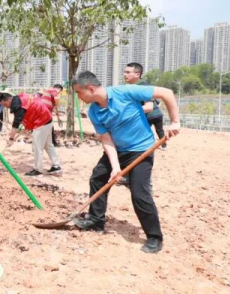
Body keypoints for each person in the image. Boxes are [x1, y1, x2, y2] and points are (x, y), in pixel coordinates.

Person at [70, 71, 180, 254]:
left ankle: (154, 236)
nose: (79, 97)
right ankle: (96, 220)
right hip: (118, 150)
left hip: (141, 150)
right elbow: (106, 139)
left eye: (79, 93)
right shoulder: (94, 111)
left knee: (139, 193)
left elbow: (166, 92)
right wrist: (115, 167)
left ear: (90, 88)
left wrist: (175, 121)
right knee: (98, 178)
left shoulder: (126, 92)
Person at [0, 92, 62, 176]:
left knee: (37, 147)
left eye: (5, 103)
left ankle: (38, 169)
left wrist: (11, 139)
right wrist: (27, 126)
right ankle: (56, 166)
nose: (5, 106)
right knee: (48, 145)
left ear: (9, 99)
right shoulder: (21, 97)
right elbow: (28, 111)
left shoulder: (18, 106)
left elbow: (15, 124)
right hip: (47, 119)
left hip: (41, 123)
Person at [124, 63, 166, 148]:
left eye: (128, 72)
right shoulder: (136, 87)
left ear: (137, 74)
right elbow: (157, 102)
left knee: (146, 131)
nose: (124, 74)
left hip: (149, 115)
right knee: (159, 130)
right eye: (125, 72)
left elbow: (149, 107)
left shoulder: (142, 86)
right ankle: (163, 145)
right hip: (157, 114)